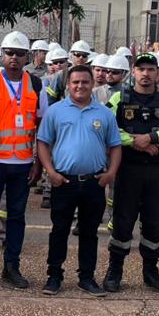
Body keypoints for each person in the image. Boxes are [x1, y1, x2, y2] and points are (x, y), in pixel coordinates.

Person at [0, 30, 47, 289]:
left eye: (19, 53)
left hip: (22, 163)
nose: (13, 57)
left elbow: (41, 128)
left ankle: (11, 267)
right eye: (9, 53)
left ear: (28, 57)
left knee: (16, 216)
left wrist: (38, 163)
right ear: (2, 55)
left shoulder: (36, 85)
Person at [104, 53, 159, 293]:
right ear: (134, 72)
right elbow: (108, 129)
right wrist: (134, 141)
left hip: (157, 171)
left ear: (158, 73)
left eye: (151, 69)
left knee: (154, 223)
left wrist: (151, 137)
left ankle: (151, 271)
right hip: (127, 170)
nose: (146, 74)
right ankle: (115, 270)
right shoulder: (120, 98)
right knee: (122, 221)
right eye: (141, 69)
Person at [36, 64, 120, 296]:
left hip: (94, 182)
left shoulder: (104, 113)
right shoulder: (56, 111)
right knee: (59, 230)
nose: (80, 86)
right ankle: (54, 276)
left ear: (93, 84)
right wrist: (50, 172)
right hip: (64, 182)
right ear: (68, 85)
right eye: (75, 82)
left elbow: (115, 146)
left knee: (89, 232)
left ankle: (87, 277)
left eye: (85, 82)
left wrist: (110, 173)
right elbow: (42, 142)